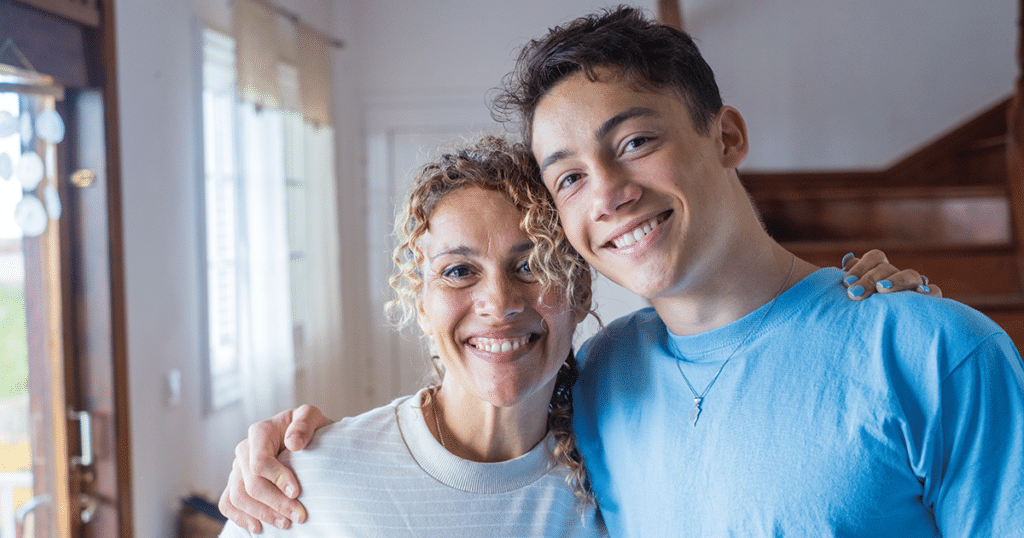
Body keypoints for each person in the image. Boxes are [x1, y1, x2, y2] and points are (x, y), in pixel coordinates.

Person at [224, 6, 1024, 536]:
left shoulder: (932, 351)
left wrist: (897, 316)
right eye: (568, 175)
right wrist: (276, 451)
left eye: (636, 141)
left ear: (727, 136)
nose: (607, 191)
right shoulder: (603, 379)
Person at [219, 135, 605, 537]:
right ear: (421, 305)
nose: (499, 302)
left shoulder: (617, 487)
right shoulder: (307, 483)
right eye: (458, 271)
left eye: (530, 265)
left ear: (580, 294)